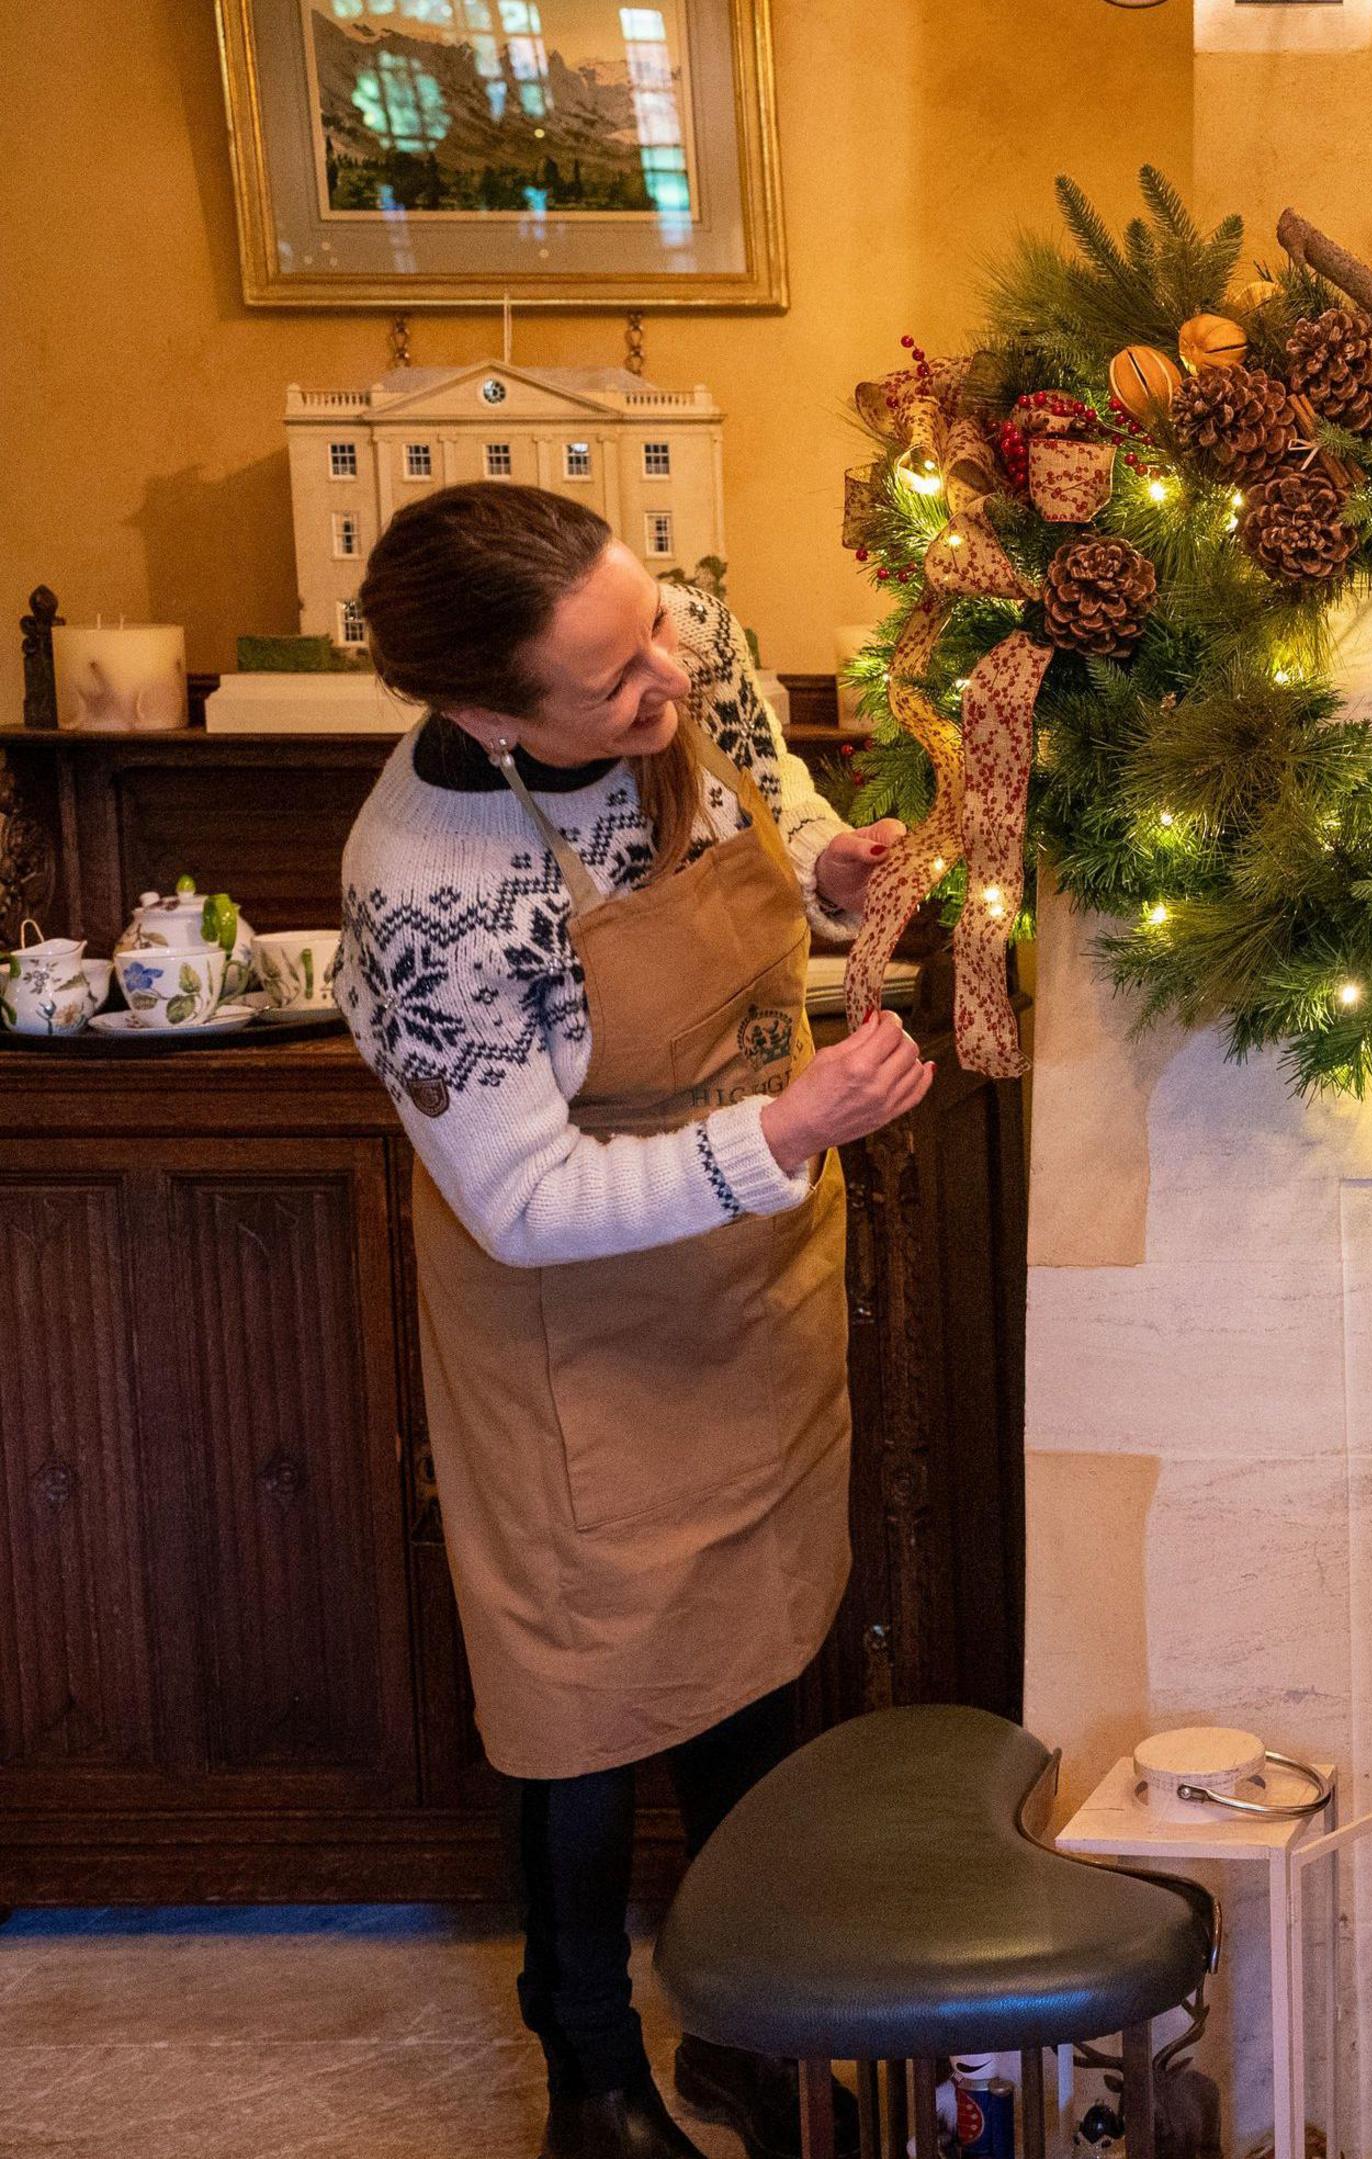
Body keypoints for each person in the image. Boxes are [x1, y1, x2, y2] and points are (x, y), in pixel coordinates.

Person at [336, 484, 933, 2159]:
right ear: (481, 708)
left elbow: (764, 776)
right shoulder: (429, 893)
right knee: (580, 1703)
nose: (667, 673)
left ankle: (750, 2022)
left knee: (754, 1649)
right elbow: (520, 1204)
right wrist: (791, 1134)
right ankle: (591, 2076)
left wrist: (825, 863)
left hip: (748, 1290)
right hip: (574, 1340)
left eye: (656, 624)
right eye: (611, 682)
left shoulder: (672, 639)